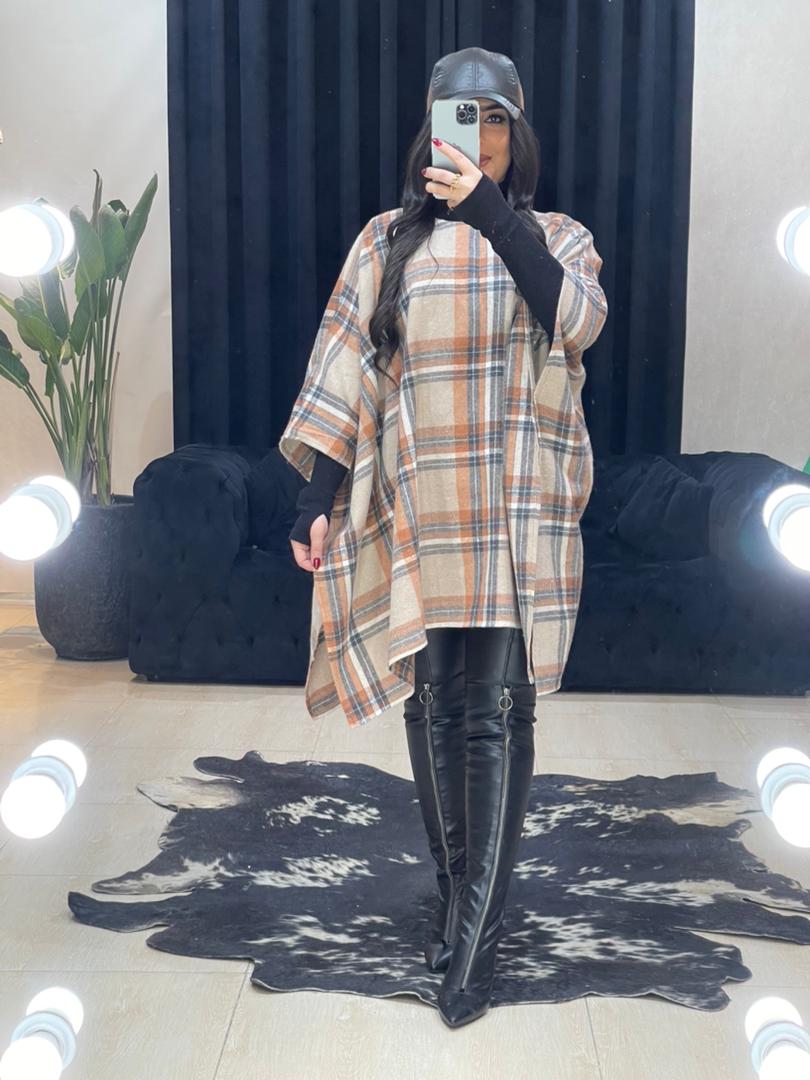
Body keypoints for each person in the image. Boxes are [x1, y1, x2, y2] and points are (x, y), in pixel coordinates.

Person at [280, 46, 608, 1029]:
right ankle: (461, 891)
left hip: (513, 508)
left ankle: (473, 937)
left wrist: (492, 215)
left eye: (495, 118)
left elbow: (578, 320)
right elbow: (348, 369)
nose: (480, 135)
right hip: (422, 502)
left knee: (494, 710)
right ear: (430, 132)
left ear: (518, 135)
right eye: (461, 117)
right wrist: (318, 498)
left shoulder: (556, 237)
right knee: (432, 706)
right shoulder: (386, 242)